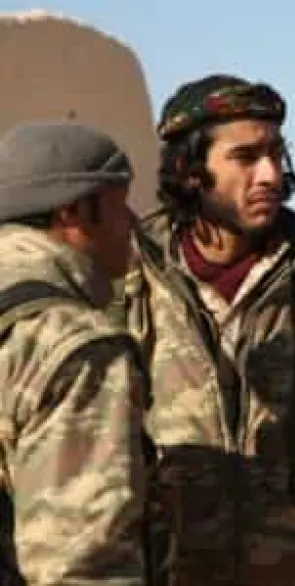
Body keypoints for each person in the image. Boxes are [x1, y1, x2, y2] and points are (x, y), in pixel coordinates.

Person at [120, 73, 295, 585]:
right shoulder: (128, 286)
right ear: (189, 171)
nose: (270, 174)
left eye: (275, 153)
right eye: (245, 157)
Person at [0, 123, 149, 585]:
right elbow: (82, 564)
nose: (133, 223)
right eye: (121, 205)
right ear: (75, 211)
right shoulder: (78, 347)